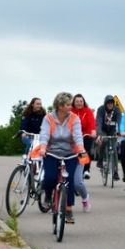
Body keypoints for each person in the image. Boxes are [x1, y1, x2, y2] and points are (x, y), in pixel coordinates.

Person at [37, 92, 88, 224]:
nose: (71, 107)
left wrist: (81, 149)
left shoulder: (74, 118)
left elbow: (77, 135)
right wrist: (43, 148)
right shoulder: (48, 118)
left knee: (69, 180)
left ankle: (69, 209)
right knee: (50, 177)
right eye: (68, 104)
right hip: (51, 152)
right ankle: (48, 197)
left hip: (70, 153)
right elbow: (44, 135)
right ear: (60, 106)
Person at [72, 94, 96, 211]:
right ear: (74, 102)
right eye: (77, 101)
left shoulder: (88, 111)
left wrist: (93, 131)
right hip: (72, 140)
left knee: (86, 153)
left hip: (85, 136)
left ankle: (86, 169)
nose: (79, 103)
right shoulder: (70, 111)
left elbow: (92, 123)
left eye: (81, 101)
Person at [95, 94, 122, 181]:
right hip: (103, 130)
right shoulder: (101, 109)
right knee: (105, 140)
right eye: (108, 103)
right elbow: (98, 122)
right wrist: (99, 134)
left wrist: (118, 132)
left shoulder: (117, 110)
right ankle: (100, 159)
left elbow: (119, 122)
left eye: (111, 103)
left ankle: (115, 172)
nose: (110, 105)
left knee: (114, 148)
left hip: (113, 130)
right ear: (105, 103)